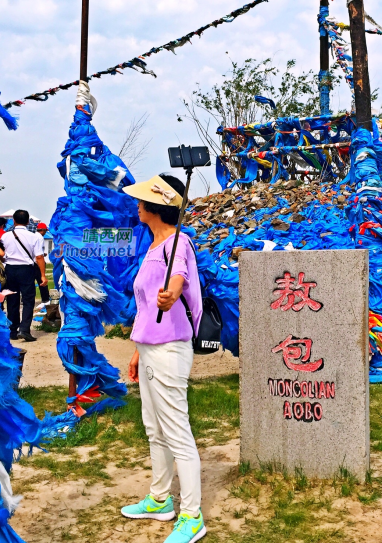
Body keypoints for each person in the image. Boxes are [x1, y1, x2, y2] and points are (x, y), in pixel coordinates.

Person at [120, 174, 206, 543]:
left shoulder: (178, 242)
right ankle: (159, 500)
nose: (136, 206)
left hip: (170, 348)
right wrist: (137, 351)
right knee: (155, 430)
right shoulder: (154, 245)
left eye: (141, 202)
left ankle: (191, 515)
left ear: (156, 207)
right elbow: (143, 306)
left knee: (176, 432)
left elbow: (178, 281)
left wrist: (170, 296)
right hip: (150, 348)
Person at [1, 210, 46, 342]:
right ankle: (24, 329)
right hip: (26, 269)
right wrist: (43, 275)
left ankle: (13, 330)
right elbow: (39, 257)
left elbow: (2, 254)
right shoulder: (35, 237)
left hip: (10, 269)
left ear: (13, 221)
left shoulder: (5, 236)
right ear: (28, 222)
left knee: (12, 300)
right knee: (28, 300)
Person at [35, 222, 51, 305]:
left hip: (32, 262)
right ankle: (45, 299)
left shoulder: (33, 236)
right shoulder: (40, 237)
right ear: (43, 230)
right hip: (38, 262)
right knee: (42, 280)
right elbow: (38, 255)